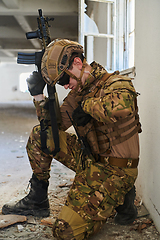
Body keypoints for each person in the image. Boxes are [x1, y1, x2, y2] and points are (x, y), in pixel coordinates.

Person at [2, 39, 141, 239]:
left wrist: (87, 106)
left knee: (64, 231)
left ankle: (121, 196)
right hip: (90, 160)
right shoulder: (79, 93)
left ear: (76, 63)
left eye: (64, 80)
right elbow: (54, 127)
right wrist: (39, 96)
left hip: (116, 170)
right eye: (60, 83)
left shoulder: (116, 83)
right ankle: (38, 199)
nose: (65, 86)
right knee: (42, 136)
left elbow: (121, 108)